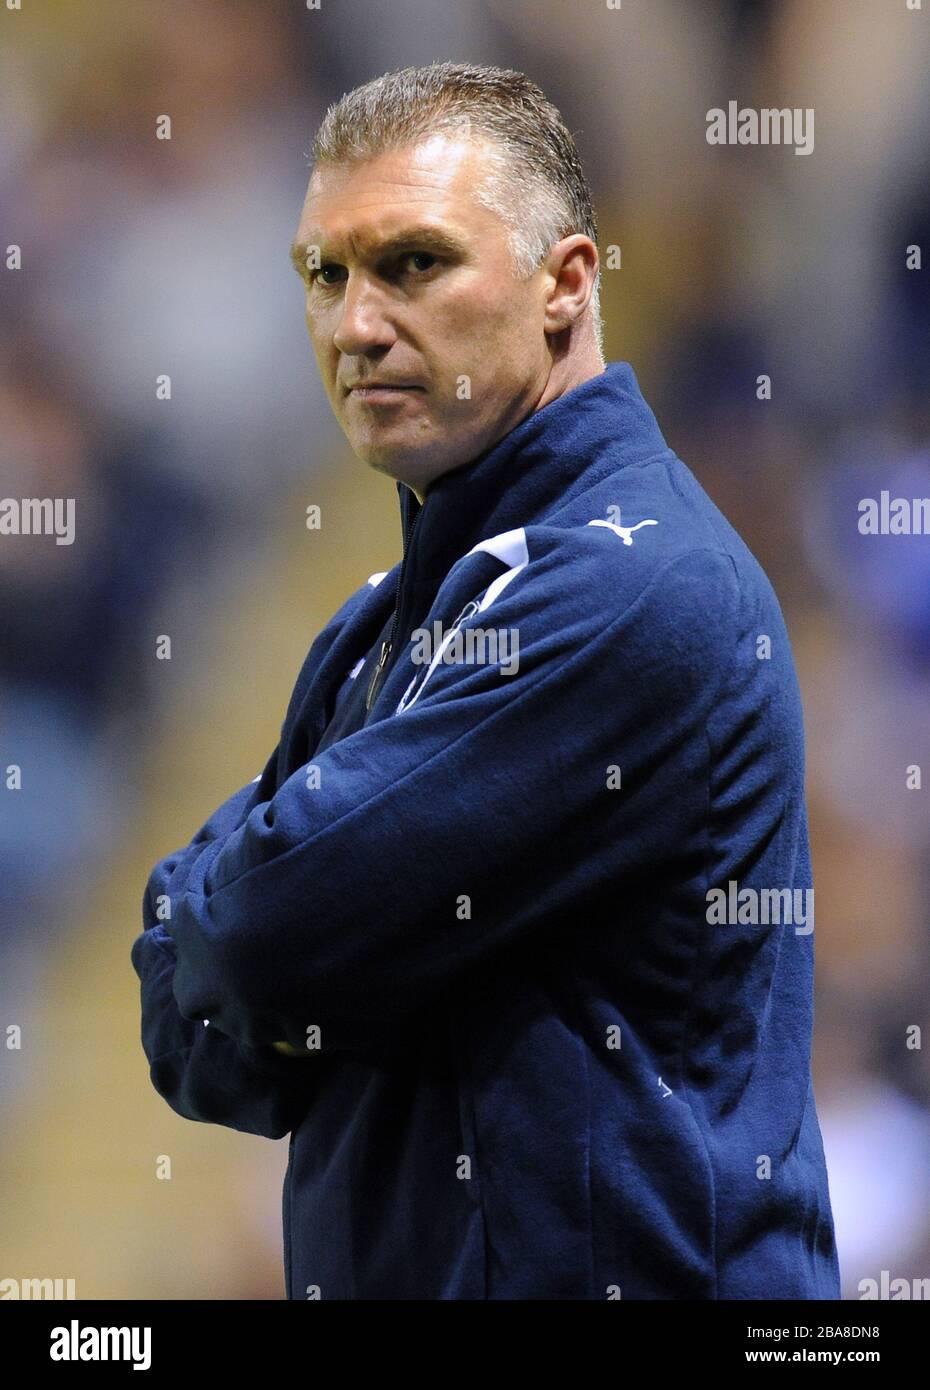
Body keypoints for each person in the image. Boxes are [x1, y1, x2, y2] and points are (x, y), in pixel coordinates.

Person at [131, 61, 841, 1300]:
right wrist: (260, 927)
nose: (356, 324)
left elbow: (246, 944)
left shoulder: (636, 588)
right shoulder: (378, 625)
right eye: (325, 274)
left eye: (412, 264)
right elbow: (200, 1052)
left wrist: (261, 923)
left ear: (566, 284)